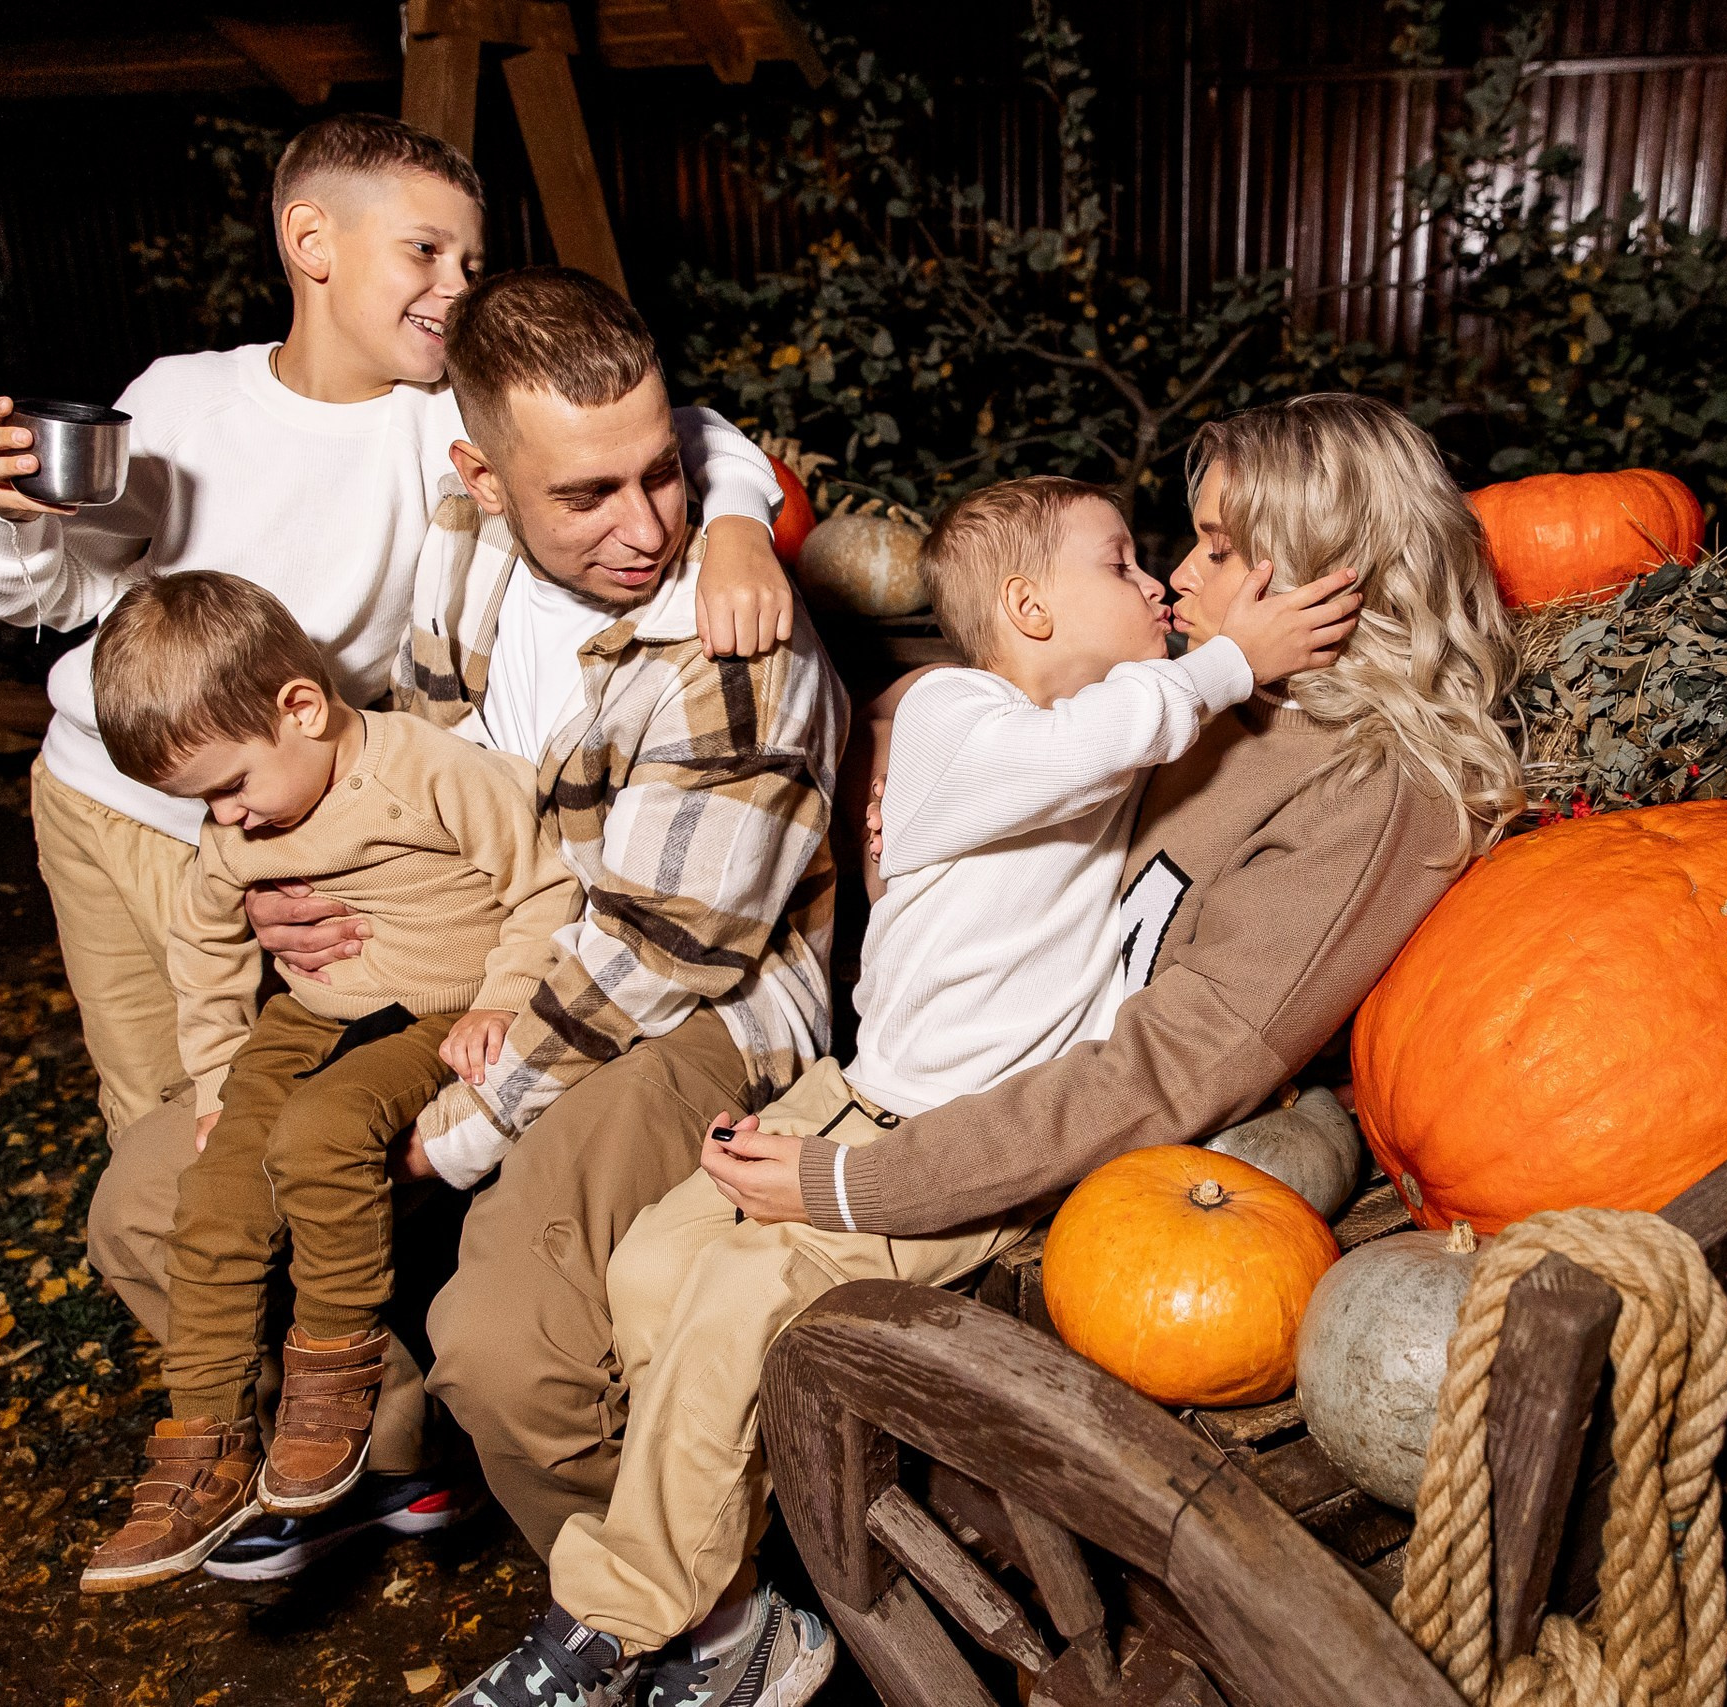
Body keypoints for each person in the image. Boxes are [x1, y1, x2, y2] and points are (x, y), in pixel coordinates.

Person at [445, 392, 1523, 1705]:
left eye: (1219, 548)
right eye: (1175, 547)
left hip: (1034, 1155)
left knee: (731, 1308)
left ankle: (611, 1624)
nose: (1180, 578)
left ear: (1329, 574)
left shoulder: (1367, 793)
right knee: (660, 1260)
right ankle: (730, 1614)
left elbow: (1165, 1071)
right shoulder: (1213, 696)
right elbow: (1018, 686)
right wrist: (912, 737)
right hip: (915, 1080)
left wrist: (865, 1186)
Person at [0, 114, 792, 1564]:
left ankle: (401, 1457)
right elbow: (52, 585)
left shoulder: (441, 427)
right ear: (310, 245)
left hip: (390, 861)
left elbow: (656, 427)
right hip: (147, 807)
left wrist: (738, 518)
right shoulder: (191, 402)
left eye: (471, 257)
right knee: (170, 1128)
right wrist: (11, 506)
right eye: (425, 251)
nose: (454, 285)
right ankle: (291, 1433)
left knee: (311, 1155)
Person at [204, 266, 846, 1597]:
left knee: (504, 1341)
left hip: (698, 1012)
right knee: (165, 1196)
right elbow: (422, 751)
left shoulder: (735, 652)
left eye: (666, 475)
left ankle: (684, 1611)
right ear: (483, 478)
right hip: (491, 960)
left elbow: (660, 958)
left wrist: (455, 1132)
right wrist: (316, 874)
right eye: (589, 494)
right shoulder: (465, 540)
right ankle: (379, 1461)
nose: (646, 526)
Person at [72, 571, 579, 1591]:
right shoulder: (233, 827)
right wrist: (218, 1083)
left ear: (300, 707)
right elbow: (204, 951)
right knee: (215, 1190)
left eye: (231, 786)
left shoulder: (426, 771)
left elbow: (545, 882)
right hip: (308, 1013)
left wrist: (501, 1001)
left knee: (321, 1133)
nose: (226, 819)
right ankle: (205, 1440)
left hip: (433, 1009)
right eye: (203, 802)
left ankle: (335, 1383)